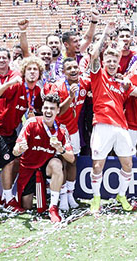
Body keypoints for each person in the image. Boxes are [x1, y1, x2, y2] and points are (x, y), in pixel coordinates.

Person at [88, 19, 137, 213]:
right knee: (98, 165)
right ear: (104, 62)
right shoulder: (98, 76)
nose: (113, 63)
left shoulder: (123, 83)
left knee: (128, 163)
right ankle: (95, 199)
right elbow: (93, 54)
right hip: (102, 125)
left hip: (121, 127)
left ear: (118, 64)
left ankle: (122, 195)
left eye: (115, 61)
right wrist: (106, 29)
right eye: (109, 61)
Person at [0, 56, 46, 213]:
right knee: (8, 162)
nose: (32, 72)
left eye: (36, 69)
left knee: (16, 161)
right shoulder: (17, 85)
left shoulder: (38, 91)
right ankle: (7, 199)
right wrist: (8, 83)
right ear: (24, 72)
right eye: (29, 69)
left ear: (40, 74)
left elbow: (42, 110)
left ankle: (6, 196)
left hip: (12, 131)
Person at [13, 93, 75, 222]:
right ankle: (36, 196)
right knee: (27, 206)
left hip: (45, 167)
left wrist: (61, 150)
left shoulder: (62, 130)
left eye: (52, 108)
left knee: (57, 163)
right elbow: (15, 151)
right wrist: (20, 149)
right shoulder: (31, 123)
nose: (48, 111)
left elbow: (71, 159)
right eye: (46, 108)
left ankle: (53, 208)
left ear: (58, 110)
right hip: (28, 167)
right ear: (42, 109)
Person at [48, 57, 91, 209]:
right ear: (63, 72)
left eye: (75, 67)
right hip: (58, 130)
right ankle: (63, 197)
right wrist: (71, 97)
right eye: (69, 69)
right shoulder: (57, 86)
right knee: (62, 163)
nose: (73, 70)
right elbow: (57, 112)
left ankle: (71, 195)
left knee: (73, 162)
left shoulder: (85, 82)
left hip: (73, 130)